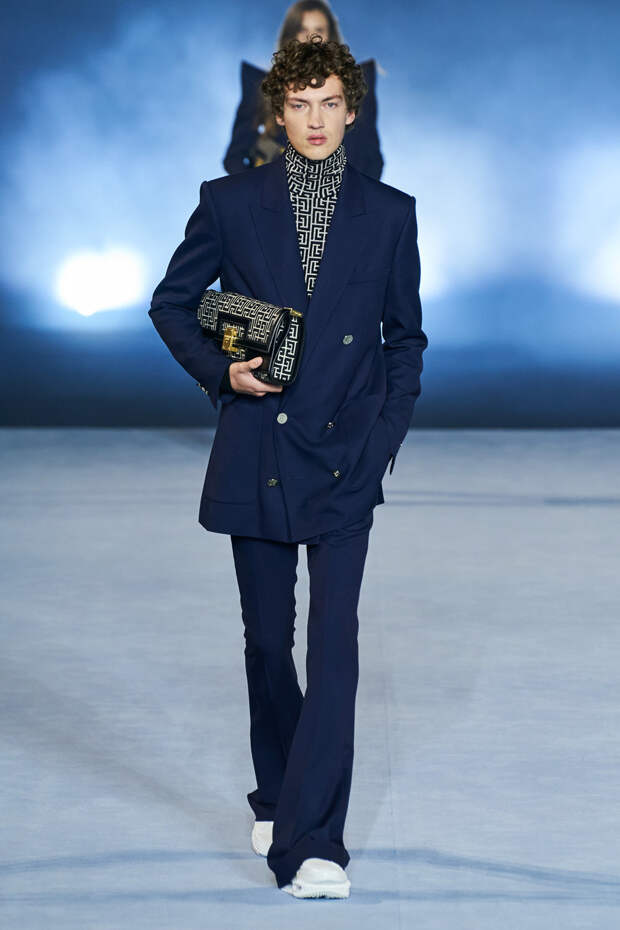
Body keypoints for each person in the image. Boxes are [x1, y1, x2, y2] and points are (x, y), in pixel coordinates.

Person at [148, 34, 427, 898]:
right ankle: (278, 792)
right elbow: (172, 303)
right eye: (299, 105)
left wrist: (382, 440)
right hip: (259, 448)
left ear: (352, 110)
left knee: (334, 646)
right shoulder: (230, 202)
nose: (315, 120)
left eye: (329, 104)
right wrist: (221, 372)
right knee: (269, 642)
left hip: (346, 457)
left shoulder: (391, 213)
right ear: (278, 112)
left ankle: (314, 845)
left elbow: (405, 339)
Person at [223, 0, 384, 179]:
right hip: (279, 189)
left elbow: (372, 159)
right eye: (303, 30)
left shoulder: (355, 85)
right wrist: (260, 190)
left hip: (344, 189)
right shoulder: (263, 87)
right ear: (291, 35)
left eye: (319, 30)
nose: (310, 38)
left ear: (330, 35)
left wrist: (356, 193)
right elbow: (235, 158)